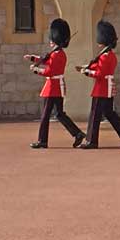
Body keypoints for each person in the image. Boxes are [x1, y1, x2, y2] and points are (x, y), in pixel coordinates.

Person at [26, 18, 85, 149]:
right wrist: (32, 58)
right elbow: (45, 60)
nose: (50, 42)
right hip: (57, 87)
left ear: (56, 39)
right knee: (59, 114)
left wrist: (36, 70)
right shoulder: (58, 53)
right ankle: (77, 134)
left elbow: (49, 71)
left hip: (52, 87)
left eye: (52, 39)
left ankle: (42, 141)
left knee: (45, 115)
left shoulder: (57, 55)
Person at [77, 20, 120, 149]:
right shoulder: (109, 55)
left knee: (95, 114)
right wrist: (86, 67)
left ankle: (91, 141)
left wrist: (86, 72)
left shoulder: (104, 56)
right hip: (107, 87)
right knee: (109, 112)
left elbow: (99, 73)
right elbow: (98, 67)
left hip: (102, 88)